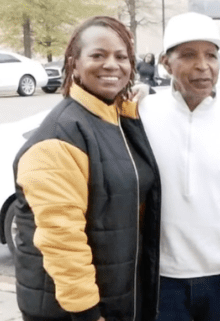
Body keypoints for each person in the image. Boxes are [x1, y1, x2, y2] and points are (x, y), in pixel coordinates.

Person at [10, 16, 161, 321]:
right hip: (74, 311)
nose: (111, 65)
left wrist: (129, 111)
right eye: (97, 55)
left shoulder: (112, 119)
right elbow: (62, 241)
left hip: (117, 298)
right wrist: (87, 313)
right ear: (74, 64)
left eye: (121, 57)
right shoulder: (58, 138)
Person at [138, 12, 220, 321]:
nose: (203, 65)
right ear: (165, 63)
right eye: (188, 55)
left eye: (211, 55)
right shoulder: (143, 112)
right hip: (163, 277)